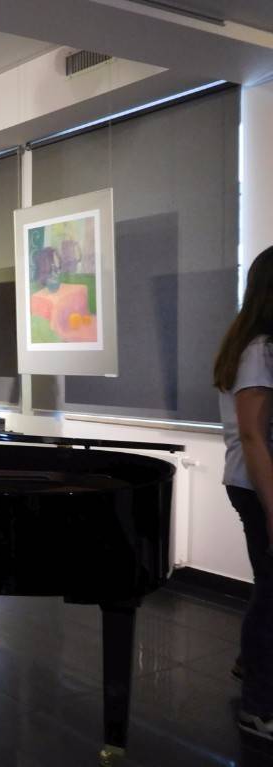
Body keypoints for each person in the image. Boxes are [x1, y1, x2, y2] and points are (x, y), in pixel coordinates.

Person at [213, 245, 273, 740]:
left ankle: (247, 664)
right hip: (258, 486)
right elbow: (253, 436)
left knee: (268, 587)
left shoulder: (253, 345)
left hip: (255, 484)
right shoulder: (260, 350)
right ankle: (259, 707)